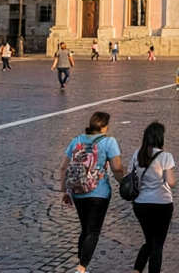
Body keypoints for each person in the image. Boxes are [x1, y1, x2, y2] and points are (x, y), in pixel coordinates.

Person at [61, 112, 123, 273]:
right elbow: (116, 168)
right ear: (103, 126)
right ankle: (81, 268)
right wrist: (124, 184)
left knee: (85, 229)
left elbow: (63, 167)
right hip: (99, 192)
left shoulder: (77, 140)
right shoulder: (109, 141)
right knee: (93, 231)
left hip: (78, 191)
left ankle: (81, 263)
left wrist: (64, 190)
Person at [129, 121, 176, 273]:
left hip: (141, 204)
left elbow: (130, 175)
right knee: (157, 244)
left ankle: (136, 270)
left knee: (149, 241)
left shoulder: (137, 154)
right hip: (161, 203)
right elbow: (171, 182)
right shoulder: (166, 156)